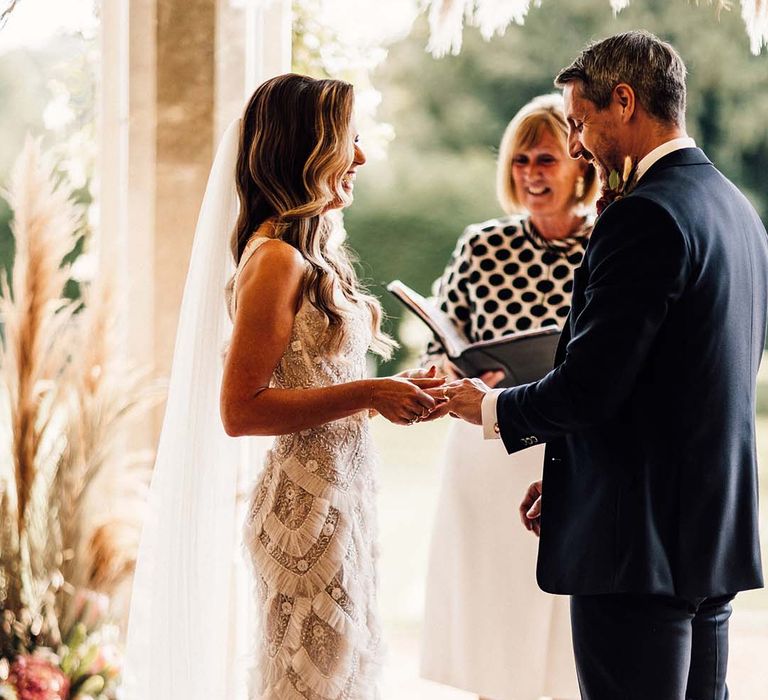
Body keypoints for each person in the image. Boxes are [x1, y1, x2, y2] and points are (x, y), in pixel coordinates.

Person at [440, 31, 768, 700]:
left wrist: (487, 406)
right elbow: (693, 376)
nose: (581, 144)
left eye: (581, 122)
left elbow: (592, 385)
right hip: (708, 535)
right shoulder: (736, 211)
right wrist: (571, 482)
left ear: (623, 101)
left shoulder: (642, 216)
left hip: (635, 548)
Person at [123, 74, 443, 700]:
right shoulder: (275, 259)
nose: (363, 155)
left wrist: (388, 392)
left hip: (340, 498)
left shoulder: (307, 254)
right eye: (349, 138)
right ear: (308, 148)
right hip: (303, 509)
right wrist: (370, 394)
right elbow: (240, 410)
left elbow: (320, 379)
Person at [419, 94, 595, 700]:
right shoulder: (481, 245)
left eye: (546, 159)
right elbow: (438, 342)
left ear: (582, 167)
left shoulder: (609, 245)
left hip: (565, 448)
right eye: (520, 160)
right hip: (483, 454)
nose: (531, 174)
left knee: (561, 621)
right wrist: (445, 367)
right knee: (490, 610)